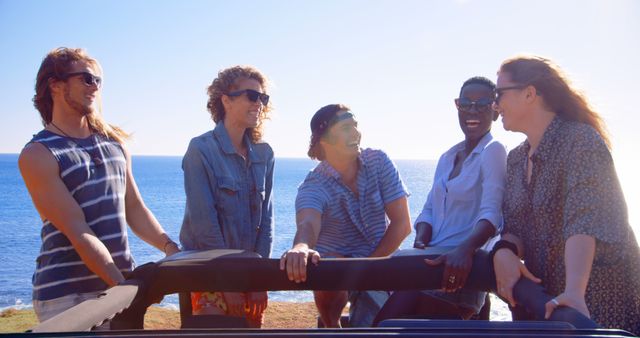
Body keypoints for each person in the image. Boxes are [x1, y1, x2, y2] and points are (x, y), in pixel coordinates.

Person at [18, 47, 180, 324]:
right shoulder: (38, 154)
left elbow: (134, 209)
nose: (95, 86)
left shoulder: (114, 144)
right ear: (55, 85)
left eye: (97, 80)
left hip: (119, 286)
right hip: (66, 296)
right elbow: (78, 230)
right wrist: (123, 288)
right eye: (86, 78)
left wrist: (172, 249)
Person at [492, 55, 640, 335]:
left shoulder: (580, 142)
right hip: (547, 305)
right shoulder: (515, 159)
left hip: (595, 302)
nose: (495, 104)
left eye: (500, 93)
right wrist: (504, 251)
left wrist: (574, 291)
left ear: (529, 93)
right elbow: (515, 227)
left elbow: (583, 222)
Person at [373, 76, 506, 324]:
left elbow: (493, 214)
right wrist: (422, 237)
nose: (472, 110)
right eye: (465, 103)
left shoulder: (493, 151)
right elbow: (429, 210)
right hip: (431, 262)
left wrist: (464, 250)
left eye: (482, 104)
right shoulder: (448, 156)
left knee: (386, 324)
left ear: (496, 110)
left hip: (460, 269)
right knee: (387, 324)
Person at [279, 104, 412, 328]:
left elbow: (402, 225)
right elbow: (308, 223)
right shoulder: (314, 185)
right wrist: (301, 246)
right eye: (345, 127)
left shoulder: (378, 162)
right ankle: (331, 326)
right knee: (328, 266)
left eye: (355, 125)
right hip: (336, 277)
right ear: (324, 139)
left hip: (380, 263)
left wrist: (366, 270)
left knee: (376, 326)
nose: (356, 133)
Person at [179, 65, 274, 328]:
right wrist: (226, 282)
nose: (259, 104)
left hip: (249, 276)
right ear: (226, 100)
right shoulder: (201, 150)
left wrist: (260, 280)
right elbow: (203, 225)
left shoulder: (265, 155)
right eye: (251, 96)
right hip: (209, 274)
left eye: (263, 98)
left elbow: (266, 224)